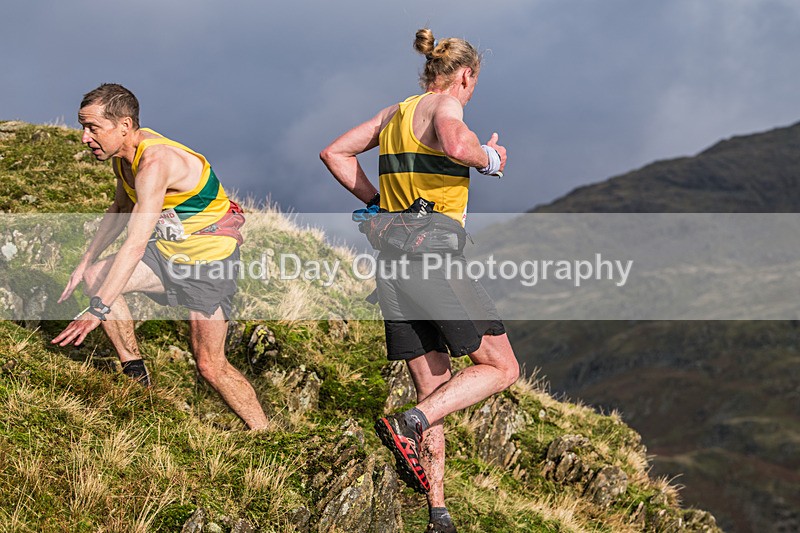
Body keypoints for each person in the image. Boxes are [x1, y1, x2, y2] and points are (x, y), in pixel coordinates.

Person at [321, 29, 520, 533]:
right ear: (465, 76)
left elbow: (335, 154)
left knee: (436, 392)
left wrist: (379, 204)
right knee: (502, 368)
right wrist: (490, 159)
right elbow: (456, 142)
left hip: (392, 261)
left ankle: (438, 512)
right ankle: (406, 423)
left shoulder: (395, 114)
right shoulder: (444, 108)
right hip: (432, 255)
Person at [52, 83, 269, 431]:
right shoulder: (124, 158)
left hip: (208, 262)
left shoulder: (155, 162)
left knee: (210, 364)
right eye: (83, 126)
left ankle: (265, 433)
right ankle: (137, 378)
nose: (84, 137)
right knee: (96, 276)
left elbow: (134, 245)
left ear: (124, 125)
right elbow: (121, 207)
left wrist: (97, 310)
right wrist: (84, 262)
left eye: (93, 128)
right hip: (168, 254)